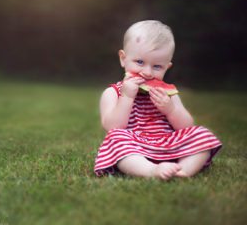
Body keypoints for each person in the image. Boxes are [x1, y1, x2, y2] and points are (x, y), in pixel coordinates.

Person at [94, 20, 222, 180]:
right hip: (134, 148)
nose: (147, 72)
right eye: (140, 62)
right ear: (123, 59)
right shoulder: (112, 93)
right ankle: (151, 171)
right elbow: (113, 127)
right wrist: (127, 97)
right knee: (115, 138)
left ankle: (183, 171)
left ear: (167, 67)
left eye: (157, 67)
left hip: (169, 144)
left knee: (202, 133)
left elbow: (186, 126)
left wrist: (171, 110)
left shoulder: (168, 93)